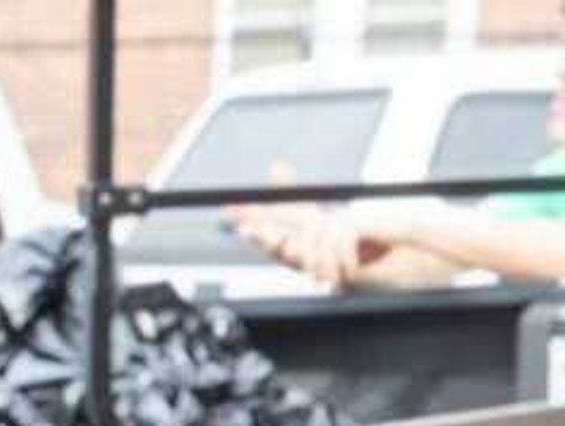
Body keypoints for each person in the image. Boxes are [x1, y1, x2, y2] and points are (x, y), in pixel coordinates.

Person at [233, 57, 565, 287]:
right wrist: (331, 247)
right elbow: (448, 256)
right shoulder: (555, 173)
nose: (560, 72)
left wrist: (409, 221)